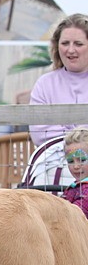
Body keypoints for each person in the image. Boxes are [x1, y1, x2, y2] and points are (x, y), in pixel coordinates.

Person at [28, 14, 88, 185]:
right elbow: (41, 134)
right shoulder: (45, 83)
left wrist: (69, 132)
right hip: (54, 165)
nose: (70, 50)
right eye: (65, 43)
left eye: (78, 44)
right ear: (56, 47)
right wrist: (81, 138)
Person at [61, 127, 88, 217]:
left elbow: (75, 215)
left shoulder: (86, 190)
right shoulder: (75, 186)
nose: (76, 166)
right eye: (70, 161)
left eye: (82, 160)